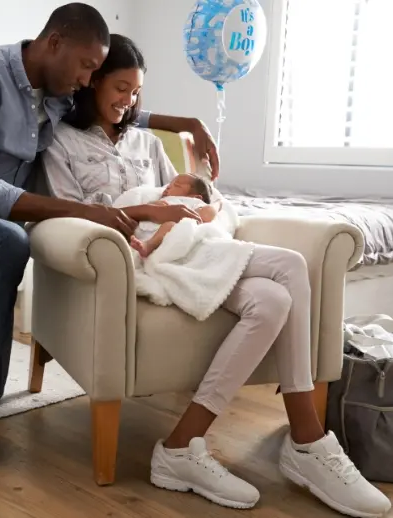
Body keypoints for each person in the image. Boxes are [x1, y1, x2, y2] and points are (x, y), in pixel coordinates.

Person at [42, 33, 392, 517]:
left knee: (272, 301)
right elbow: (70, 214)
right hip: (135, 256)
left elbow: (188, 195)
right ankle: (308, 440)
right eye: (120, 88)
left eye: (137, 92)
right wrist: (151, 213)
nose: (130, 100)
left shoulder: (146, 141)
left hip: (192, 250)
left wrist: (202, 208)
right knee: (289, 266)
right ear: (93, 83)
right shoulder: (61, 141)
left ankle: (183, 445)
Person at [0, 3, 219, 481]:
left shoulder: (61, 93)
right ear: (55, 42)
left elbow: (123, 108)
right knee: (5, 242)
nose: (89, 79)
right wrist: (95, 212)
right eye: (87, 66)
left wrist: (188, 123)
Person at [128, 174, 218, 257]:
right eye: (169, 184)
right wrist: (158, 205)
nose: (168, 187)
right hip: (141, 231)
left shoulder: (193, 202)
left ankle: (148, 246)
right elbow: (147, 209)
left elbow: (207, 214)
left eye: (177, 185)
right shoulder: (163, 199)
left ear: (196, 197)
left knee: (170, 225)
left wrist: (217, 204)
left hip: (166, 235)